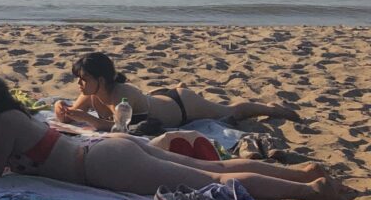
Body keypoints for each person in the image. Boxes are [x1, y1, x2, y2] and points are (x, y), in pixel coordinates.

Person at [0, 75, 355, 200]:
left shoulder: (3, 122)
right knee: (216, 168)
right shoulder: (15, 116)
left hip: (102, 165)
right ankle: (301, 174)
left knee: (215, 184)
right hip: (107, 150)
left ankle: (311, 191)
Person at [54, 52, 299, 131]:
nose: (79, 85)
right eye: (79, 80)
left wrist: (87, 118)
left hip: (181, 106)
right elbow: (70, 115)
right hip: (159, 98)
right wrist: (61, 110)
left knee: (233, 112)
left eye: (83, 79)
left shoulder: (123, 95)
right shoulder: (90, 94)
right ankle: (179, 87)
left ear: (100, 79)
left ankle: (272, 109)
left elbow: (124, 129)